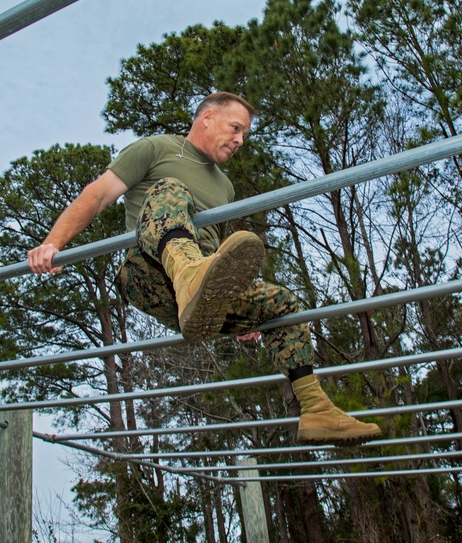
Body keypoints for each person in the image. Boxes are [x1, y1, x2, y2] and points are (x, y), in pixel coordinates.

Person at [28, 91, 381, 445]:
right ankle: (190, 275)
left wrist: (241, 309)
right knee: (169, 189)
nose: (240, 140)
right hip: (147, 273)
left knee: (283, 303)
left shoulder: (225, 186)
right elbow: (98, 194)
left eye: (244, 135)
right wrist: (54, 244)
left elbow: (215, 246)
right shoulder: (155, 148)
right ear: (208, 117)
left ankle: (316, 408)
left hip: (197, 295)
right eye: (236, 128)